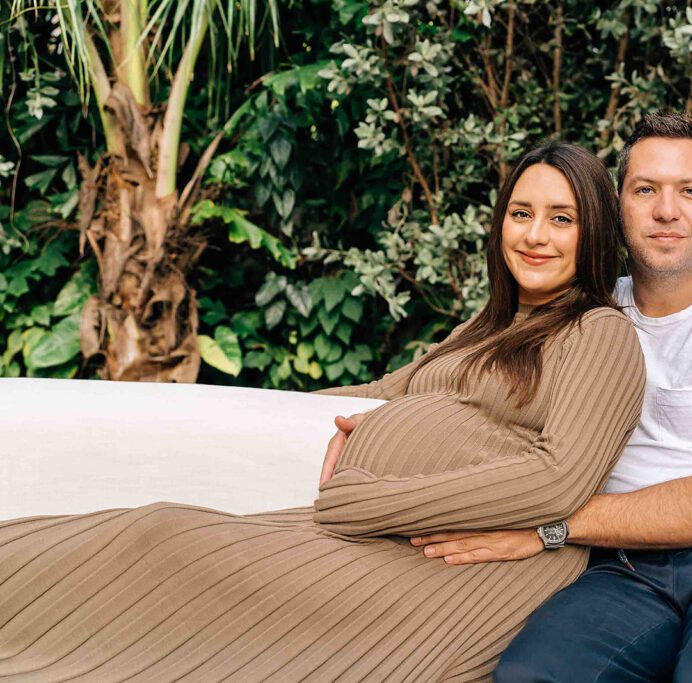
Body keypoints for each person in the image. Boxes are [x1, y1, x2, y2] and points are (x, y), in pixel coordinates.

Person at [0, 142, 645, 681]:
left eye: (561, 219)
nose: (534, 235)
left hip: (468, 566)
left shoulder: (599, 333)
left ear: (592, 233)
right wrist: (237, 412)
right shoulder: (494, 324)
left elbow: (558, 477)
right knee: (155, 531)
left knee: (172, 548)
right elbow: (385, 391)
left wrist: (363, 502)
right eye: (521, 212)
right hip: (375, 534)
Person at [376, 113, 692, 681]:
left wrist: (544, 528)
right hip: (627, 568)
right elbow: (438, 384)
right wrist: (359, 423)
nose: (666, 210)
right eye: (645, 189)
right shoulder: (578, 314)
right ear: (616, 208)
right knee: (531, 676)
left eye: (690, 191)